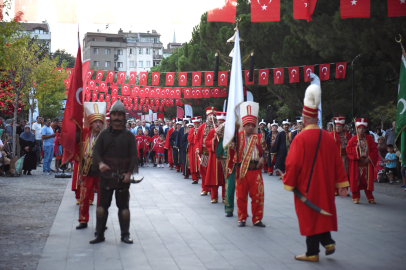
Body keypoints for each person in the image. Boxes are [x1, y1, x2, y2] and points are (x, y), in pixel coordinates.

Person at [283, 83, 349, 262]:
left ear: (304, 118)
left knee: (310, 216)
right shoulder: (328, 137)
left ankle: (312, 253)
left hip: (307, 187)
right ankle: (328, 242)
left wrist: (288, 182)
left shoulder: (300, 138)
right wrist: (342, 184)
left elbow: (293, 163)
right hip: (326, 186)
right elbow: (338, 163)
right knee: (320, 213)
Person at [90, 100, 138, 244]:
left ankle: (125, 234)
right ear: (111, 116)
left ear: (124, 117)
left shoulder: (129, 136)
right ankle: (99, 234)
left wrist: (129, 173)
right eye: (114, 115)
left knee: (124, 209)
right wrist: (100, 163)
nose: (117, 118)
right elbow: (96, 151)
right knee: (101, 208)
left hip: (122, 177)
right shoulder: (104, 134)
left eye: (120, 115)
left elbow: (134, 156)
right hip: (106, 176)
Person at [233, 102, 267, 227]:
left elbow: (265, 151)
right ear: (244, 125)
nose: (250, 127)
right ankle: (242, 218)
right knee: (241, 196)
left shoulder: (259, 137)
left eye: (252, 125)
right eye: (248, 125)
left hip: (255, 170)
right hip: (242, 169)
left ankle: (257, 219)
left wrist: (263, 158)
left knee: (258, 195)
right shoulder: (238, 136)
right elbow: (230, 146)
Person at [76, 102, 106, 230]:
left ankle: (101, 222)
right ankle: (83, 220)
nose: (98, 124)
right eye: (95, 122)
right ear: (91, 123)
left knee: (102, 199)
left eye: (100, 122)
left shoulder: (107, 137)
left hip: (102, 172)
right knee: (84, 197)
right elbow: (74, 137)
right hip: (86, 171)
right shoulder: (84, 134)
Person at [346, 118, 379, 204]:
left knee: (367, 181)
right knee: (356, 180)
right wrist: (356, 149)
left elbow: (374, 150)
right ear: (357, 129)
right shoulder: (353, 139)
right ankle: (356, 197)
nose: (361, 130)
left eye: (363, 128)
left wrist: (370, 158)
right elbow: (348, 149)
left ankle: (370, 197)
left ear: (365, 129)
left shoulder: (369, 139)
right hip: (357, 163)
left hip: (367, 163)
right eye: (360, 128)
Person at [205, 111, 226, 203]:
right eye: (220, 123)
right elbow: (206, 142)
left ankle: (225, 196)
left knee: (225, 177)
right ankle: (214, 197)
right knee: (214, 177)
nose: (221, 125)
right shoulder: (213, 131)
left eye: (223, 123)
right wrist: (213, 140)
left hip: (225, 157)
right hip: (214, 158)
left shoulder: (228, 133)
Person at [195, 108, 217, 195]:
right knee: (203, 171)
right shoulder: (202, 126)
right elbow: (196, 139)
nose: (211, 118)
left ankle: (212, 189)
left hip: (213, 153)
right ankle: (204, 188)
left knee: (212, 172)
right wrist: (197, 148)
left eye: (213, 116)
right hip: (204, 152)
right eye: (209, 116)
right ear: (207, 116)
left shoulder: (217, 126)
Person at [330, 117, 352, 195]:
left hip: (345, 157)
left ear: (343, 127)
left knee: (345, 174)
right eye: (336, 126)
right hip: (336, 158)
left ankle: (344, 190)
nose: (337, 128)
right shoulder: (332, 134)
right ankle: (335, 190)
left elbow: (351, 145)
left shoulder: (348, 135)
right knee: (335, 173)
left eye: (339, 126)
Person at [188, 117, 201, 184]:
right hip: (192, 148)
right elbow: (189, 139)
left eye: (197, 123)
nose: (196, 125)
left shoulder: (202, 129)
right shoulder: (191, 130)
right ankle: (195, 178)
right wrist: (194, 133)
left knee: (199, 162)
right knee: (193, 163)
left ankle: (200, 175)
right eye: (195, 124)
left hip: (199, 147)